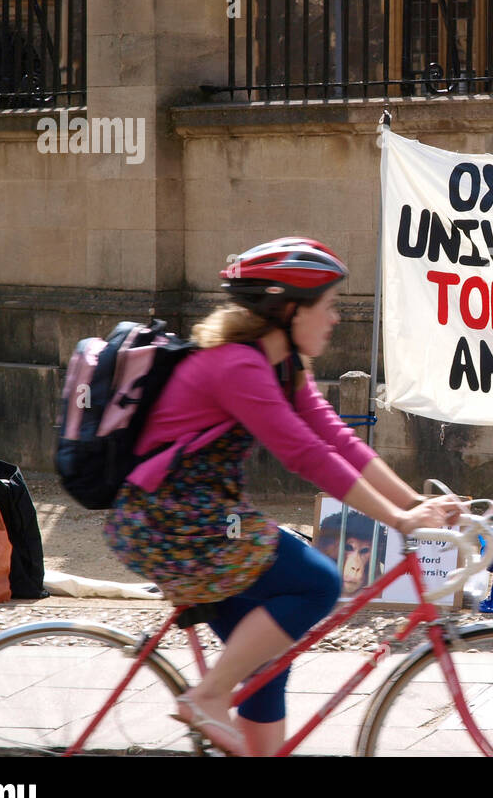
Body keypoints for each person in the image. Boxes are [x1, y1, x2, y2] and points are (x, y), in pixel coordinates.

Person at [104, 237, 462, 755]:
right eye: (328, 305)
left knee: (266, 659)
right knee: (317, 581)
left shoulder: (283, 366)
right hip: (169, 521)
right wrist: (400, 520)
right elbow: (306, 456)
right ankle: (207, 697)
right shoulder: (238, 366)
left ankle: (232, 713)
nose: (336, 317)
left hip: (200, 519)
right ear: (289, 310)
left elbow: (337, 439)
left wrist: (412, 505)